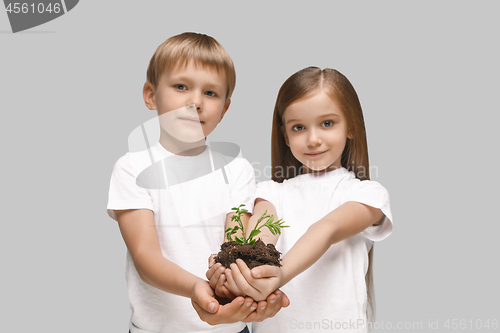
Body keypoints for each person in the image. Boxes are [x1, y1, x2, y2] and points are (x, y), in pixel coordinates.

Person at [107, 32, 287, 333]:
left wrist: (234, 282)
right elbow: (145, 256)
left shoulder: (237, 169)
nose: (195, 102)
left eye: (210, 93)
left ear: (225, 108)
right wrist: (196, 287)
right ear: (151, 95)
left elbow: (235, 242)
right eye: (181, 87)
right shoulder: (132, 168)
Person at [209, 67, 393, 332]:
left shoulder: (368, 194)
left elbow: (326, 229)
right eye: (299, 127)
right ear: (285, 135)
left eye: (327, 123)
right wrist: (237, 273)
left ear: (351, 125)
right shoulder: (270, 192)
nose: (313, 139)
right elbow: (259, 241)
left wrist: (280, 273)